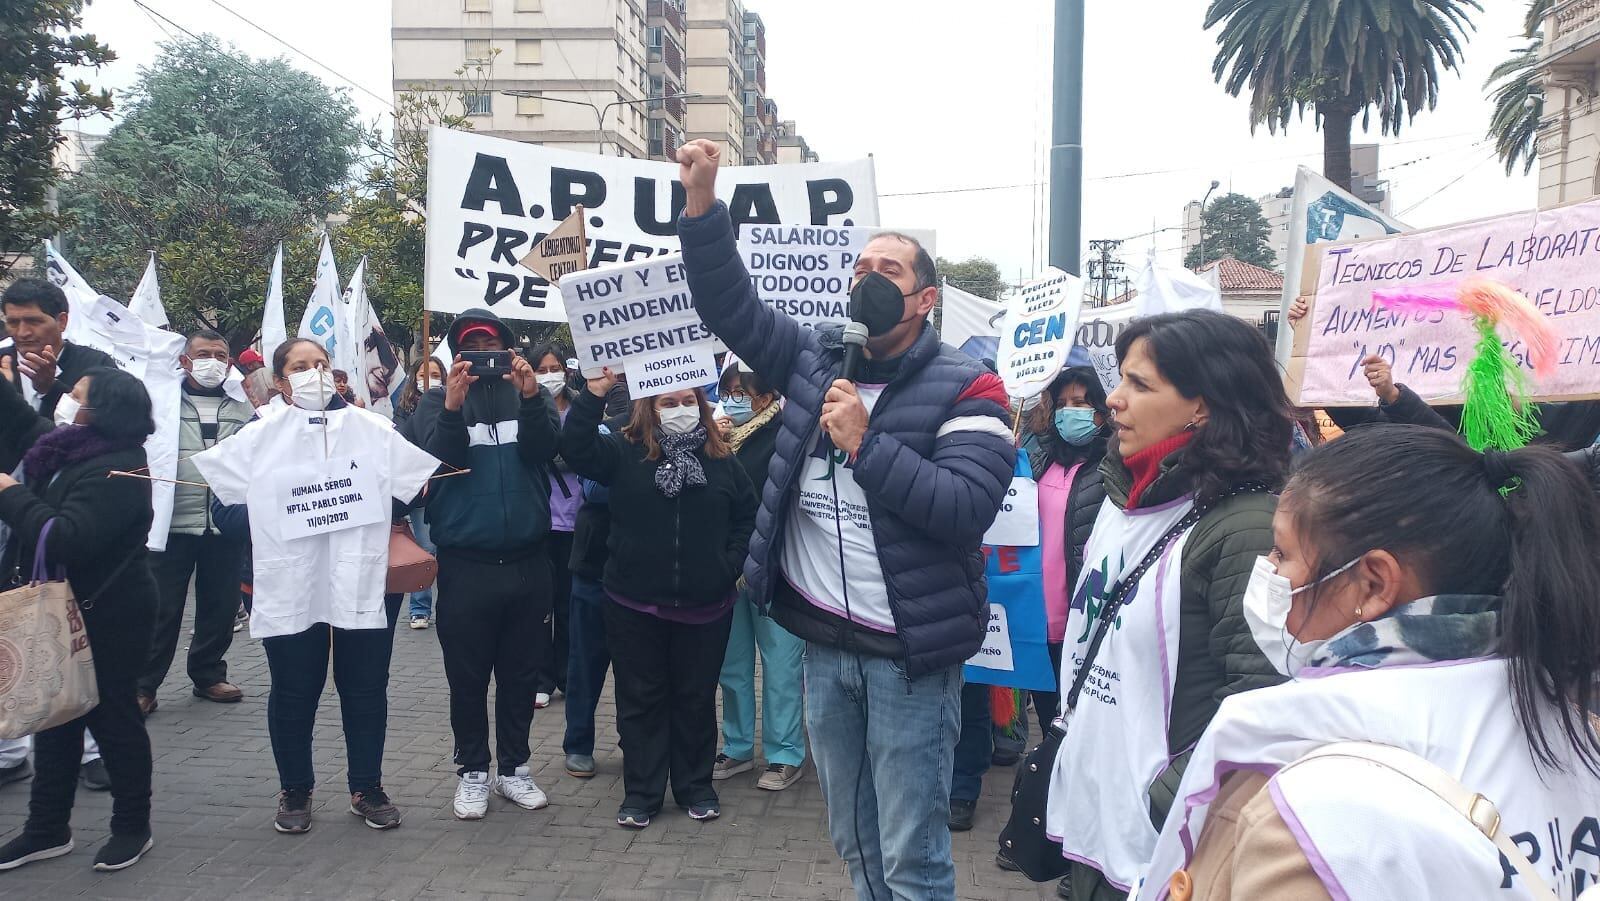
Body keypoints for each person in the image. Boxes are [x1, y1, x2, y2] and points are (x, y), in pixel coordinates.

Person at [675, 139, 1015, 899]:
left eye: (888, 270)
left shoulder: (973, 387)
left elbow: (962, 509)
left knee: (913, 857)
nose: (868, 279)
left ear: (925, 298)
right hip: (826, 649)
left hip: (909, 661)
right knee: (854, 844)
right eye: (860, 268)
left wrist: (866, 443)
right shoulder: (814, 359)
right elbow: (731, 306)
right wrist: (702, 209)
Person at [1136, 426, 1600, 900]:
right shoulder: (1577, 730)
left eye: (1282, 552)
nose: (1268, 569)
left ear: (1374, 584)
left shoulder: (1299, 800)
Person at [1043, 310, 1292, 901]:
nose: (1114, 403)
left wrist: (1165, 798)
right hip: (1097, 823)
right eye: (1121, 380)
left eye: (1140, 385)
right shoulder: (1117, 496)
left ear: (1202, 406)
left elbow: (1261, 699)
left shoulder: (1247, 526)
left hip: (1163, 848)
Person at [191, 338, 439, 834]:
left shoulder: (373, 428)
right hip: (289, 581)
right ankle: (296, 789)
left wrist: (352, 497)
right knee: (294, 688)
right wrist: (286, 504)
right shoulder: (259, 433)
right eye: (300, 367)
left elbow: (411, 493)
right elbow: (224, 509)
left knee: (366, 687)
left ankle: (366, 786)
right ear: (281, 381)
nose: (314, 373)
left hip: (361, 576)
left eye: (321, 364)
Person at [560, 372, 758, 829]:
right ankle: (643, 793)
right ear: (650, 407)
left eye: (689, 400)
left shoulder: (723, 459)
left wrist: (726, 565)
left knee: (694, 698)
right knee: (640, 700)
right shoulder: (623, 453)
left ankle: (695, 785)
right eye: (669, 401)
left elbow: (746, 517)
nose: (681, 408)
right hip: (633, 603)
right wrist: (591, 395)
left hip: (706, 605)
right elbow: (575, 446)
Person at [400, 310, 559, 820]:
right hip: (466, 564)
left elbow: (545, 450)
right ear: (456, 353)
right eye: (472, 346)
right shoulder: (433, 400)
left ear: (508, 347)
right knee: (467, 678)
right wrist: (451, 406)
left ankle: (514, 769)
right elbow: (435, 465)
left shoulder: (529, 394)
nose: (483, 353)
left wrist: (532, 397)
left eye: (491, 343)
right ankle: (472, 771)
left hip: (528, 562)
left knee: (520, 676)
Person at [0, 367, 159, 872]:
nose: (66, 399)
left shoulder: (120, 468)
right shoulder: (68, 448)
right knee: (55, 716)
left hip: (110, 612)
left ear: (103, 408)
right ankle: (46, 829)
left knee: (112, 718)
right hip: (59, 606)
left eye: (77, 394)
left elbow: (68, 536)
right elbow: (24, 422)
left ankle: (132, 827)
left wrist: (9, 494)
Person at [978, 367, 1114, 844]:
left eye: (1083, 403)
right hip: (1037, 619)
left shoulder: (1112, 467)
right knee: (1050, 724)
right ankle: (1045, 826)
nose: (1072, 412)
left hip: (1083, 623)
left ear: (1102, 410)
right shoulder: (1036, 461)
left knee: (1077, 730)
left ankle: (1069, 836)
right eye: (1065, 403)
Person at [135, 329, 252, 715]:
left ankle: (208, 674)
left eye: (220, 355)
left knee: (219, 607)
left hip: (225, 525)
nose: (212, 361)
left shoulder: (243, 407)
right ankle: (144, 685)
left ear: (230, 363)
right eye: (204, 353)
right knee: (160, 609)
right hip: (170, 524)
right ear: (185, 360)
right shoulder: (161, 403)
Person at [712, 363, 807, 792]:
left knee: (781, 665)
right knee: (732, 667)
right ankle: (735, 746)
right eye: (727, 391)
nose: (732, 400)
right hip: (728, 570)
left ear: (766, 398)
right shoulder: (717, 438)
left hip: (776, 569)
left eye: (740, 393)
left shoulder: (787, 436)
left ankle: (785, 753)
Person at [560, 384, 633, 780]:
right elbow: (594, 487)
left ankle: (633, 741)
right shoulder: (606, 433)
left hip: (639, 572)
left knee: (635, 667)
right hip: (594, 566)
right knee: (585, 662)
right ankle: (578, 743)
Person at [531, 342, 580, 708]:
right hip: (540, 522)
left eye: (556, 367)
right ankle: (541, 678)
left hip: (577, 523)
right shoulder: (528, 410)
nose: (551, 375)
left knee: (569, 605)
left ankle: (567, 674)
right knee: (540, 605)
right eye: (543, 368)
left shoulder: (582, 408)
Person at [2, 279, 116, 421]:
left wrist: (51, 389)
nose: (22, 332)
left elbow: (108, 426)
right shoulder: (3, 364)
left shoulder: (96, 365)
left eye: (33, 321)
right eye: (13, 323)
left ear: (62, 321)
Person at [394, 357, 446, 629]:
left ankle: (446, 604)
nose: (431, 379)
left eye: (436, 374)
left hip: (445, 484)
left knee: (444, 547)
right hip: (418, 488)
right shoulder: (403, 409)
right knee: (425, 547)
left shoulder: (452, 401)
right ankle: (419, 608)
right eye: (425, 374)